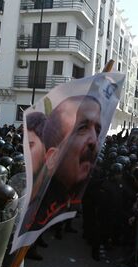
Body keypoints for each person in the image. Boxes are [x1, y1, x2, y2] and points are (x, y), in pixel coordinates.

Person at [24, 95, 102, 232]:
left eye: (97, 130)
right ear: (52, 157)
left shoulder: (69, 197)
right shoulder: (34, 207)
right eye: (82, 128)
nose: (94, 140)